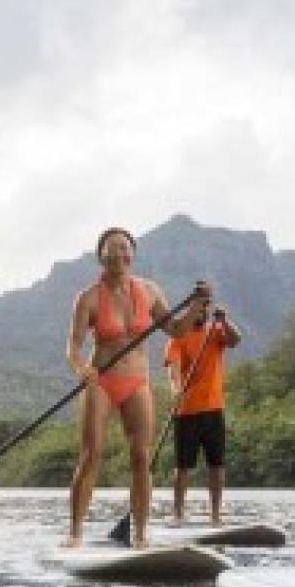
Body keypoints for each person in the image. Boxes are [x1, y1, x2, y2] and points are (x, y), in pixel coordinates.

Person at [65, 226, 211, 548]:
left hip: (137, 381)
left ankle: (141, 535)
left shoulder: (151, 291)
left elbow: (175, 330)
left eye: (125, 248)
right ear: (100, 256)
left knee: (142, 458)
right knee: (91, 455)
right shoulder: (88, 298)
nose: (119, 253)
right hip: (101, 381)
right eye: (112, 248)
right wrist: (82, 368)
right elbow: (73, 346)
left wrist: (196, 309)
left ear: (133, 254)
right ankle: (75, 533)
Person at [164, 300, 241, 526]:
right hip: (186, 410)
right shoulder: (177, 338)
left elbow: (236, 340)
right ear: (190, 312)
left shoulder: (216, 332)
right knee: (182, 466)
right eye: (197, 309)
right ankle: (178, 514)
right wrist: (177, 391)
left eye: (203, 310)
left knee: (217, 465)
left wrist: (225, 321)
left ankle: (215, 516)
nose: (201, 313)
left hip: (214, 408)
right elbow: (173, 371)